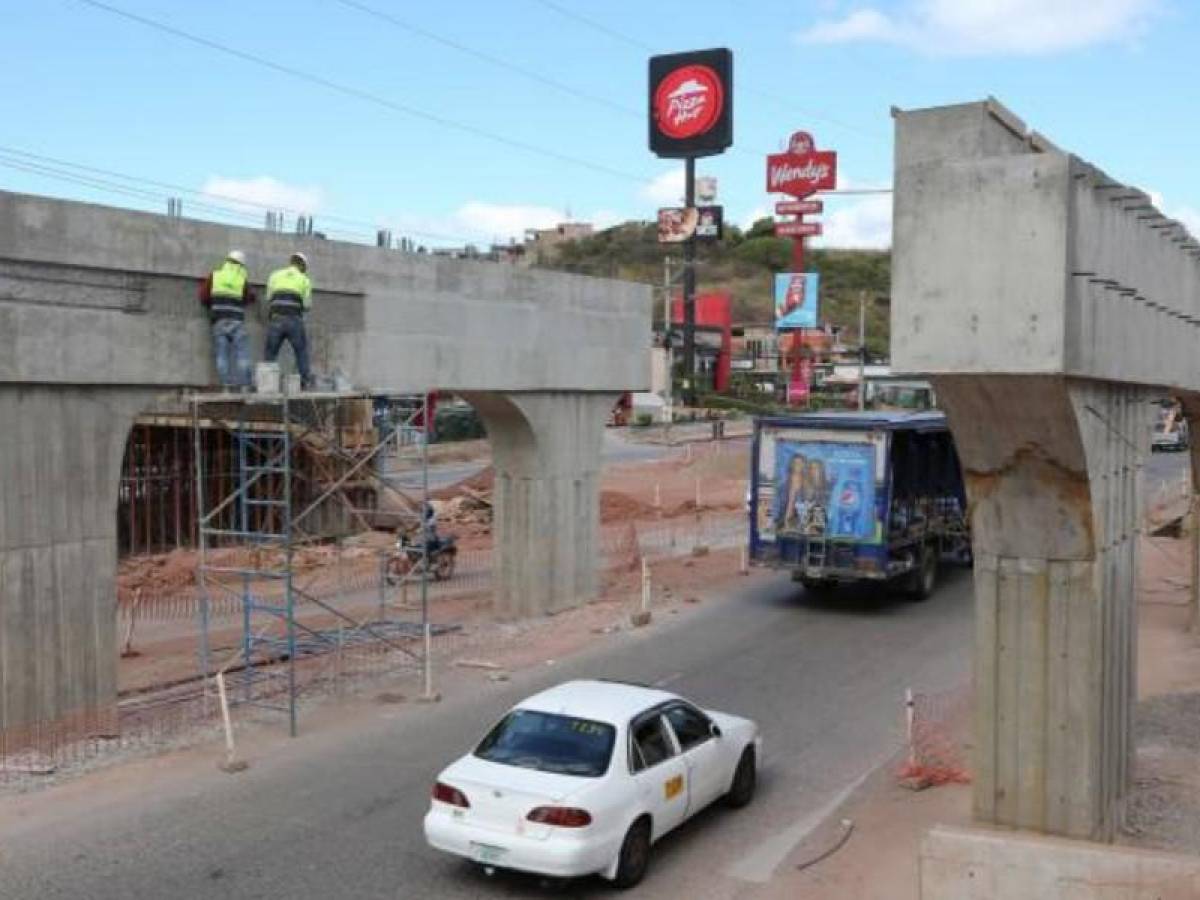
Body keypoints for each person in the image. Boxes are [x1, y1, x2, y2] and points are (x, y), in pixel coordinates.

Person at [198, 250, 256, 389]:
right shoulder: (242, 279)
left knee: (222, 355)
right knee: (242, 354)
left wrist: (214, 304)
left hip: (219, 320)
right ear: (241, 265)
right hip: (236, 320)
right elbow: (250, 297)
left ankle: (226, 385)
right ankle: (245, 386)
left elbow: (203, 296)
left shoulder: (215, 275)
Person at [264, 251, 313, 389]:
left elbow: (268, 298)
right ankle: (305, 382)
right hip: (294, 320)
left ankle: (267, 384)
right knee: (301, 351)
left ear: (291, 262)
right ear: (302, 266)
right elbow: (307, 305)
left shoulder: (275, 275)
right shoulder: (304, 280)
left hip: (276, 318)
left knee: (270, 353)